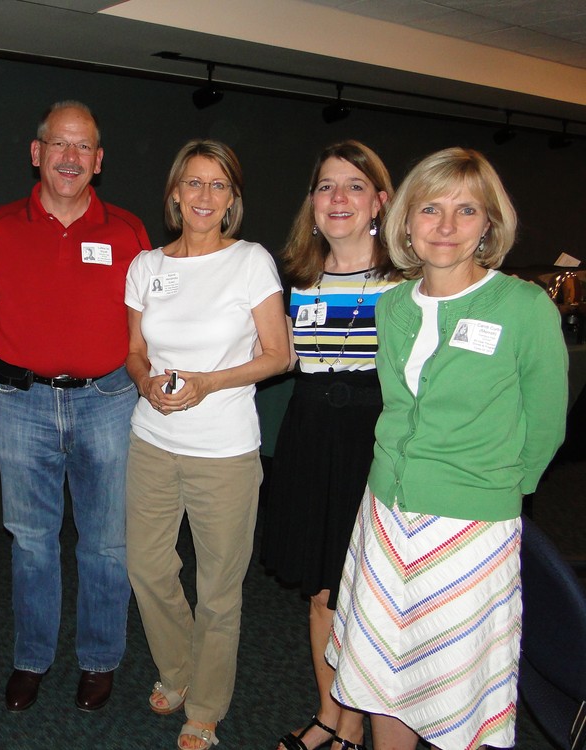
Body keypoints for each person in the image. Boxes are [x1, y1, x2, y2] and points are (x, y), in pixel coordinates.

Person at [326, 147, 568, 750]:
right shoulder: (393, 306)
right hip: (385, 514)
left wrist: (496, 491)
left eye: (467, 210)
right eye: (430, 208)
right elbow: (395, 409)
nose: (446, 225)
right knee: (385, 671)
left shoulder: (523, 307)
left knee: (454, 687)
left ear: (489, 223)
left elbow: (546, 425)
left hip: (471, 525)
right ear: (406, 220)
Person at [0, 101, 150, 713]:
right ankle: (32, 658)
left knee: (106, 541)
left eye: (83, 147)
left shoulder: (128, 232)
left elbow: (152, 322)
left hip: (108, 401)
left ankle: (99, 659)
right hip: (18, 403)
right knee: (31, 541)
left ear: (98, 160)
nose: (70, 158)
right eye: (59, 144)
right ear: (37, 152)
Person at [125, 139, 290, 750]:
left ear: (231, 199)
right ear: (175, 193)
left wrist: (208, 383)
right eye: (193, 182)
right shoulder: (146, 266)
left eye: (218, 185)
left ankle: (206, 704)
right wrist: (146, 383)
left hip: (224, 449)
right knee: (147, 567)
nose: (204, 195)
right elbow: (134, 351)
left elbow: (279, 354)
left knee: (218, 587)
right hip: (152, 440)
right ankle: (178, 669)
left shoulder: (250, 261)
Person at [259, 141, 400, 750]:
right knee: (322, 592)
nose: (338, 198)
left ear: (380, 201)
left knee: (369, 594)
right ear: (312, 202)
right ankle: (330, 714)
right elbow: (275, 354)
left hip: (378, 444)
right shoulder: (296, 278)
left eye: (354, 185)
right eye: (326, 186)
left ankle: (359, 720)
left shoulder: (406, 283)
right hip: (311, 440)